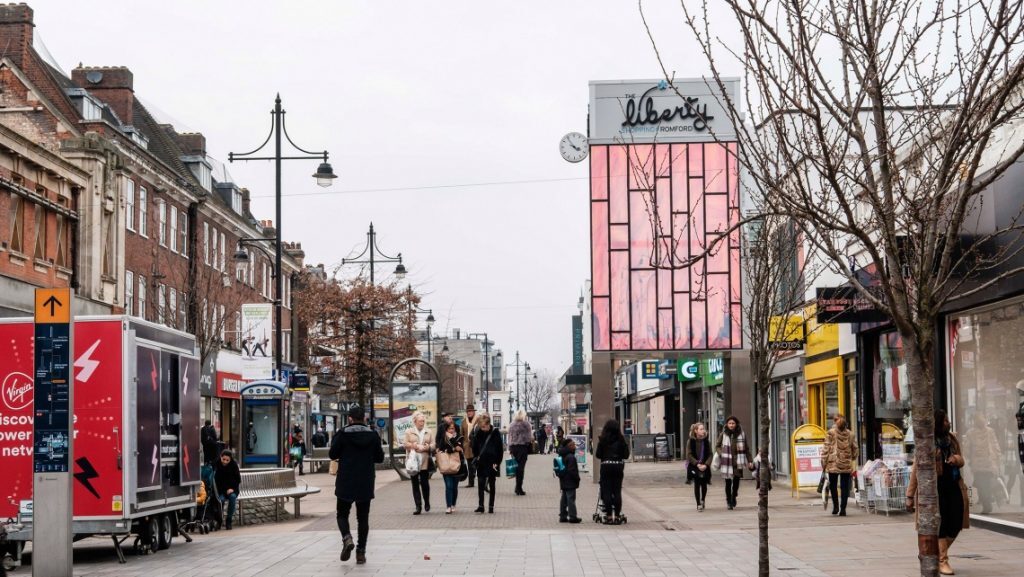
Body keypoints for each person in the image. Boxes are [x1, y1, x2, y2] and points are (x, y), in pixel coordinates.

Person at [907, 410, 970, 576]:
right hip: (933, 489)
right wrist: (909, 495)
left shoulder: (952, 439)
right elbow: (916, 469)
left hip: (953, 484)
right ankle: (943, 560)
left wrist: (956, 460)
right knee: (940, 524)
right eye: (945, 421)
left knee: (956, 521)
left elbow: (961, 459)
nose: (948, 423)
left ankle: (933, 553)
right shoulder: (927, 443)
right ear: (937, 423)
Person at [330, 405, 385, 566]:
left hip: (346, 479)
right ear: (365, 418)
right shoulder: (373, 435)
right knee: (363, 518)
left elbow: (332, 454)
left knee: (342, 513)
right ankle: (361, 553)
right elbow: (380, 458)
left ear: (350, 418)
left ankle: (347, 538)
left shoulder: (342, 434)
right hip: (365, 480)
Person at [964, 412, 1001, 514]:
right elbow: (996, 446)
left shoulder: (970, 433)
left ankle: (987, 505)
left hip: (978, 465)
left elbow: (966, 450)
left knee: (981, 484)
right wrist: (997, 459)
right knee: (987, 484)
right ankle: (987, 503)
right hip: (989, 464)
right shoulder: (990, 431)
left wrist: (970, 458)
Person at [595, 419, 630, 524]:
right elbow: (626, 455)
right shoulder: (621, 440)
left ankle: (609, 516)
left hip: (606, 466)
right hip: (618, 466)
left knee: (607, 491)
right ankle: (618, 516)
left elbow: (598, 455)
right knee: (617, 491)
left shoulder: (603, 440)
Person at [822, 413, 858, 516]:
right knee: (844, 486)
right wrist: (852, 458)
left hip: (833, 463)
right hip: (846, 463)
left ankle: (835, 507)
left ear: (835, 422)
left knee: (833, 486)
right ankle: (843, 509)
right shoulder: (851, 434)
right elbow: (855, 449)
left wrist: (823, 461)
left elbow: (826, 448)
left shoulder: (831, 433)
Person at [715, 415, 754, 510]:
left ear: (736, 424)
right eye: (729, 423)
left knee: (736, 481)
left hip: (738, 461)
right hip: (727, 460)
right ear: (727, 424)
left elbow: (746, 449)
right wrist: (721, 454)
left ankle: (734, 495)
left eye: (733, 423)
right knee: (728, 482)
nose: (731, 425)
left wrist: (750, 461)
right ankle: (729, 500)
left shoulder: (741, 434)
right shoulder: (723, 434)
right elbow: (717, 446)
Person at [471, 413, 503, 513]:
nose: (482, 428)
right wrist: (476, 456)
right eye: (481, 426)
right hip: (482, 462)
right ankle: (481, 506)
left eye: (484, 426)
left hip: (492, 462)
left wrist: (497, 462)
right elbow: (475, 447)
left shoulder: (495, 432)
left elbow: (500, 449)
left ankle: (491, 506)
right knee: (480, 483)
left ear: (488, 424)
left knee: (492, 484)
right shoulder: (479, 432)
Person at [403, 412, 434, 515]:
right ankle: (418, 506)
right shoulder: (409, 431)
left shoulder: (428, 431)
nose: (422, 423)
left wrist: (427, 447)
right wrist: (413, 445)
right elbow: (405, 444)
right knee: (415, 484)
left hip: (424, 461)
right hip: (413, 462)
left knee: (425, 483)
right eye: (420, 421)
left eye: (423, 421)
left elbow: (434, 445)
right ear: (415, 421)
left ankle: (427, 502)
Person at [437, 420, 464, 514]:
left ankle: (453, 504)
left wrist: (451, 441)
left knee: (455, 487)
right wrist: (452, 449)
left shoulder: (460, 437)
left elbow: (459, 448)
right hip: (446, 465)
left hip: (456, 465)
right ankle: (448, 506)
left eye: (452, 428)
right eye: (449, 429)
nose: (451, 430)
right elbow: (440, 448)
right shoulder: (443, 437)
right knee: (449, 486)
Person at [687, 422, 712, 511]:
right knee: (697, 484)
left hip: (705, 465)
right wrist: (697, 464)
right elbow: (689, 455)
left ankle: (703, 500)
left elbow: (710, 454)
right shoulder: (691, 441)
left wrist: (706, 465)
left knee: (704, 484)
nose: (703, 431)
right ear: (696, 431)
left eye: (703, 429)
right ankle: (698, 503)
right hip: (695, 465)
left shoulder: (707, 441)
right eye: (701, 429)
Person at [556, 436, 582, 523]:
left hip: (563, 480)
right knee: (571, 499)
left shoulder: (562, 455)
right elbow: (572, 470)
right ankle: (573, 517)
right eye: (573, 445)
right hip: (570, 481)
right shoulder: (571, 457)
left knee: (564, 499)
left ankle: (563, 516)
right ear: (569, 446)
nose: (575, 446)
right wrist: (577, 478)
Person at [508, 410, 533, 496]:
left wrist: (510, 448)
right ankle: (519, 488)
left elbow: (510, 437)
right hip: (522, 448)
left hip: (514, 448)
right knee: (521, 469)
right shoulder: (526, 425)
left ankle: (517, 487)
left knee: (516, 468)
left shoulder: (511, 425)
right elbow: (529, 438)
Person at [214, 449, 241, 530]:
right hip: (220, 490)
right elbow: (215, 479)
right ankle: (219, 520)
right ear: (220, 457)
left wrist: (232, 489)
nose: (225, 462)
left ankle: (229, 520)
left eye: (227, 460)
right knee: (220, 500)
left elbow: (238, 479)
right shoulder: (217, 464)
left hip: (232, 489)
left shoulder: (233, 465)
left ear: (230, 459)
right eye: (223, 459)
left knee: (232, 497)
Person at [460, 404, 479, 488]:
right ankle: (471, 482)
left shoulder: (478, 420)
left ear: (473, 412)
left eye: (471, 411)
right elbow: (461, 434)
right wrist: (462, 444)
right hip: (467, 446)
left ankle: (482, 481)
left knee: (477, 464)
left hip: (476, 446)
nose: (469, 413)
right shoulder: (464, 422)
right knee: (470, 465)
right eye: (468, 411)